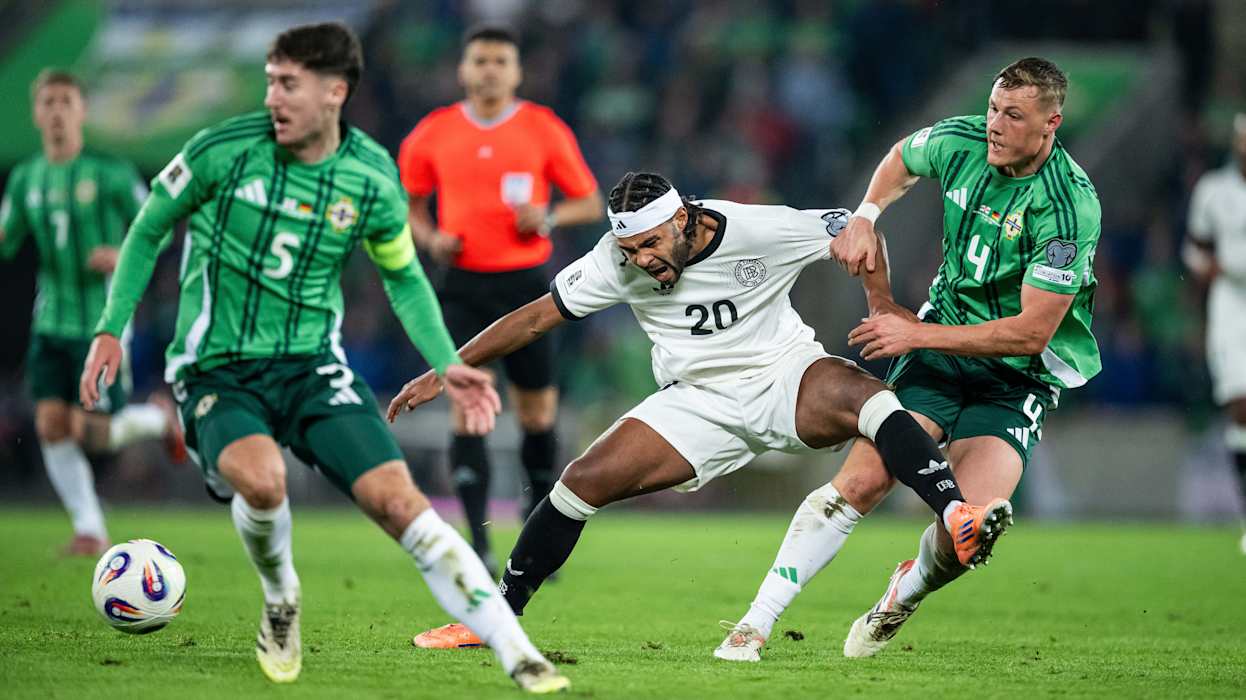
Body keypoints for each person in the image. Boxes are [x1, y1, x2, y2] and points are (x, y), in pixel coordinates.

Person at [78, 22, 568, 693]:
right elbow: (147, 229)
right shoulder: (222, 150)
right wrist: (111, 327)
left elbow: (403, 277)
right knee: (263, 482)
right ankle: (281, 597)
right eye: (270, 81)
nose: (272, 98)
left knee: (400, 502)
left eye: (288, 84)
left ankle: (520, 655)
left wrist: (446, 363)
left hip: (312, 368)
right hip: (217, 368)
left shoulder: (369, 175)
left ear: (335, 91)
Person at [389, 170, 1013, 650]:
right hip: (695, 402)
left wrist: (880, 304)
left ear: (684, 220)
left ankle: (955, 513)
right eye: (629, 248)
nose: (641, 259)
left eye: (650, 243)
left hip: (785, 376)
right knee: (579, 482)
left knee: (870, 399)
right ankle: (494, 619)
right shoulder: (614, 260)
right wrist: (447, 367)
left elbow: (857, 230)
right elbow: (535, 318)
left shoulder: (758, 228)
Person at [716, 56, 1102, 662]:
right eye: (993, 108)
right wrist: (866, 216)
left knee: (967, 535)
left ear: (1051, 123)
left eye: (1013, 115)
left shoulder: (1068, 206)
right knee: (860, 482)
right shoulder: (962, 140)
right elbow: (902, 156)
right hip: (939, 354)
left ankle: (906, 590)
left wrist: (916, 333)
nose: (994, 124)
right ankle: (753, 624)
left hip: (1016, 378)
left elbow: (1031, 333)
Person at [397, 25, 602, 574]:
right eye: (480, 60)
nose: (489, 70)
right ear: (463, 69)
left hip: (527, 288)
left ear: (516, 72)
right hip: (462, 285)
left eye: (499, 61)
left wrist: (549, 216)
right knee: (469, 407)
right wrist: (430, 239)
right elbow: (409, 207)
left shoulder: (542, 128)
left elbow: (588, 201)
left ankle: (538, 540)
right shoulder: (433, 132)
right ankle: (481, 544)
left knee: (538, 415)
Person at [0, 68, 184, 557]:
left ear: (82, 110)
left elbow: (160, 225)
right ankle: (89, 529)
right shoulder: (26, 178)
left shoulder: (110, 172)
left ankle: (158, 419)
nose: (57, 111)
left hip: (102, 324)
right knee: (50, 424)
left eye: (66, 101)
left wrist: (123, 253)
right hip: (49, 320)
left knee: (94, 434)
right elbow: (6, 237)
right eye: (49, 102)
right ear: (36, 113)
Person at [1184, 112, 1246, 555]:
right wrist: (1206, 269)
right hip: (1231, 304)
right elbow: (1195, 248)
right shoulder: (1213, 191)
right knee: (1240, 406)